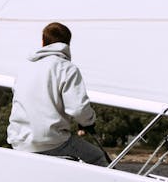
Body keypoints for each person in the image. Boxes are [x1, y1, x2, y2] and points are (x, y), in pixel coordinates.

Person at [7, 22, 107, 166]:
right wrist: (89, 122)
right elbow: (78, 109)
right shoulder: (67, 68)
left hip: (19, 142)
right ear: (68, 44)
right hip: (52, 143)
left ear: (43, 42)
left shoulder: (24, 68)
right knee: (97, 157)